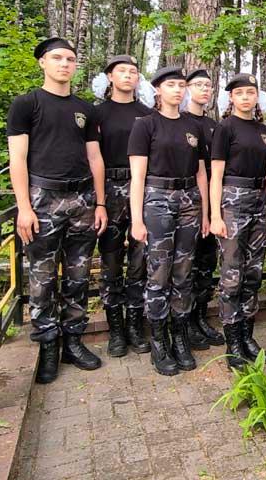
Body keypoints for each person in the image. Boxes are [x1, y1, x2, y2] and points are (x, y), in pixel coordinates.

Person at [7, 37, 108, 384]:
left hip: (82, 200)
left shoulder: (85, 109)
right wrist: (24, 207)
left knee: (79, 275)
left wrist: (100, 203)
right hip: (43, 199)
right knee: (43, 276)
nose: (64, 64)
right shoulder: (27, 104)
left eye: (70, 59)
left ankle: (74, 342)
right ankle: (48, 344)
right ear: (42, 63)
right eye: (57, 58)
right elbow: (17, 159)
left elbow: (95, 157)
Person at [128, 66, 209, 376]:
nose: (177, 90)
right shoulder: (145, 125)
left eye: (180, 85)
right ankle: (159, 341)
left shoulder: (193, 126)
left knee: (184, 272)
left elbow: (200, 172)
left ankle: (180, 336)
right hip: (157, 199)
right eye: (171, 85)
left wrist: (204, 212)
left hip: (189, 200)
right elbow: (137, 177)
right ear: (157, 90)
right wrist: (137, 220)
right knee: (158, 273)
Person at [209, 72, 266, 371]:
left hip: (259, 201)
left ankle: (248, 336)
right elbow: (215, 175)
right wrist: (215, 215)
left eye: (251, 92)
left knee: (253, 273)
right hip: (233, 201)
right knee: (232, 274)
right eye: (240, 93)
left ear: (257, 96)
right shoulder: (225, 128)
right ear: (231, 98)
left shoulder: (263, 130)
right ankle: (233, 342)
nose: (246, 97)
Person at [93, 54, 152, 358]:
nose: (128, 75)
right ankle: (115, 330)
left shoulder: (147, 115)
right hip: (110, 189)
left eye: (133, 71)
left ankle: (135, 326)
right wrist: (99, 201)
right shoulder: (97, 113)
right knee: (111, 261)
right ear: (110, 77)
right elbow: (92, 157)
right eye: (121, 71)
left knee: (140, 261)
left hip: (142, 189)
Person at [183, 68, 226, 349]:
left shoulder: (214, 126)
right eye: (198, 84)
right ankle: (184, 322)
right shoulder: (179, 120)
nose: (204, 90)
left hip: (212, 201)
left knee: (205, 263)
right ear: (187, 88)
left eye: (208, 85)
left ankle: (200, 317)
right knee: (185, 264)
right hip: (186, 201)